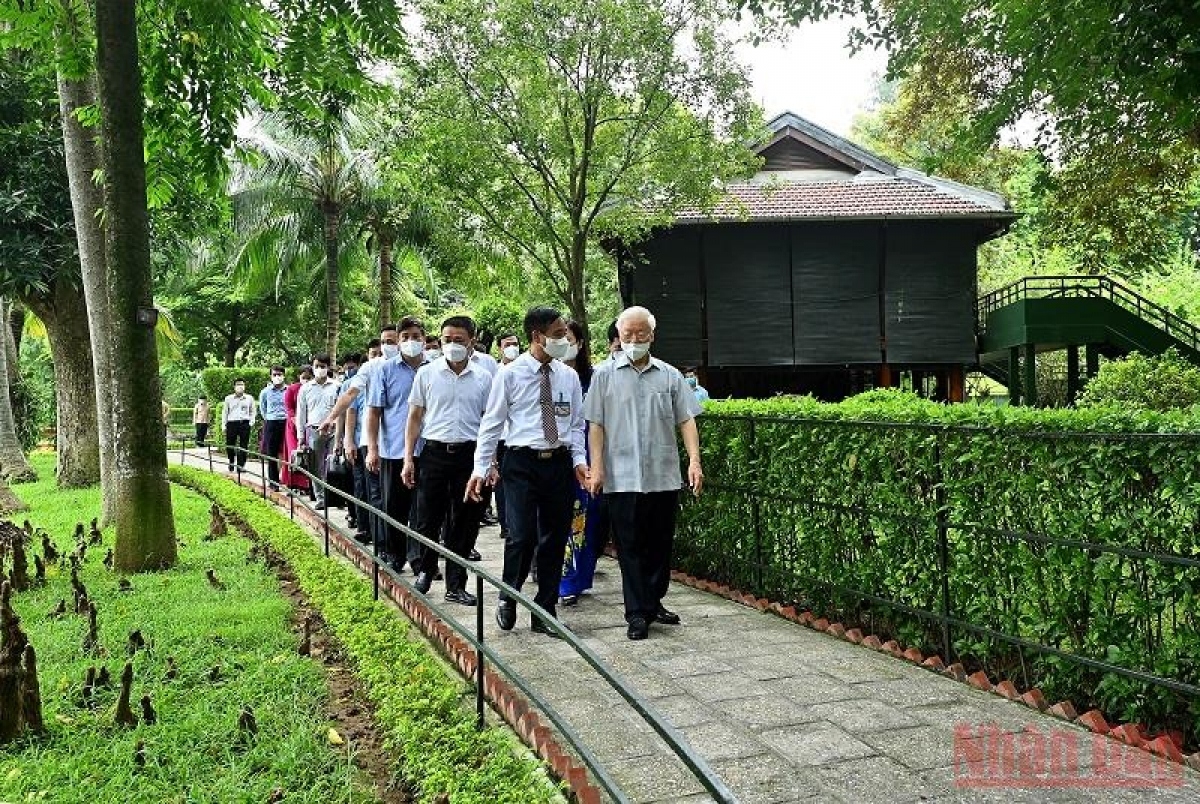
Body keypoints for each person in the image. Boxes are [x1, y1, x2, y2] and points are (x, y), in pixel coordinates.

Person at [584, 305, 704, 641]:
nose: (634, 340)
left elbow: (687, 420)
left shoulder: (669, 375)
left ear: (652, 335)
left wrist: (694, 461)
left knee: (660, 544)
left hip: (663, 475)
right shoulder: (603, 376)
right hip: (621, 478)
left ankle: (652, 600)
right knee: (630, 546)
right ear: (618, 336)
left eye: (641, 334)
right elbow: (596, 425)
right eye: (627, 335)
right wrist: (597, 467)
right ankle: (637, 613)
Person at [468, 307, 587, 636]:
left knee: (554, 537)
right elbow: (491, 424)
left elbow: (576, 426)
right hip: (521, 463)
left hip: (559, 463)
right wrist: (481, 467)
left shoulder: (568, 376)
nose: (565, 339)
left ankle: (545, 610)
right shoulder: (510, 374)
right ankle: (509, 593)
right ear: (538, 336)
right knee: (521, 536)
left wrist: (579, 462)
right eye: (559, 334)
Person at [403, 316, 492, 605]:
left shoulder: (484, 378)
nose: (452, 345)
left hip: (470, 455)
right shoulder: (427, 375)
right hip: (434, 454)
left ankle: (456, 584)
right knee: (429, 517)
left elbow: (489, 422)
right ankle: (426, 571)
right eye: (447, 340)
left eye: (459, 340)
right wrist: (408, 458)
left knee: (465, 522)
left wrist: (490, 462)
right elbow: (414, 417)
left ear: (471, 341)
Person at [319, 325, 401, 544]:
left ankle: (410, 552)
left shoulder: (417, 367)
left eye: (392, 341)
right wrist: (331, 418)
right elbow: (350, 396)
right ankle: (383, 546)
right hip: (372, 441)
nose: (387, 346)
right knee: (376, 496)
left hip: (405, 444)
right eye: (384, 342)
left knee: (401, 500)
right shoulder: (371, 368)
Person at [365, 317, 428, 570]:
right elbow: (373, 412)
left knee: (424, 510)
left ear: (424, 338)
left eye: (415, 336)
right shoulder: (385, 370)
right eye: (405, 337)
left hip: (428, 448)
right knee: (395, 508)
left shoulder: (434, 368)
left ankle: (419, 558)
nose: (410, 342)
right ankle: (395, 555)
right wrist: (372, 448)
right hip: (394, 450)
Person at [558, 320, 604, 606]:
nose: (564, 343)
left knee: (589, 523)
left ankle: (582, 576)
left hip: (591, 460)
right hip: (561, 459)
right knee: (563, 520)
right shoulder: (551, 377)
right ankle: (565, 582)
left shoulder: (596, 378)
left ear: (581, 343)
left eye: (569, 337)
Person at [296, 354, 340, 508]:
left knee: (334, 464)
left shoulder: (336, 386)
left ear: (328, 367)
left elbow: (341, 410)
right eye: (317, 366)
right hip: (314, 429)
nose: (320, 369)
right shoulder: (306, 388)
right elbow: (301, 414)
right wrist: (300, 436)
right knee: (315, 466)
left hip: (334, 430)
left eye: (323, 366)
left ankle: (335, 497)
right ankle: (320, 498)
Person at [281, 366, 313, 496]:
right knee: (294, 453)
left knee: (309, 455)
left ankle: (306, 484)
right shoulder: (292, 389)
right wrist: (296, 421)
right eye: (303, 377)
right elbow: (289, 408)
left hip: (309, 425)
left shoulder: (313, 389)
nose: (305, 380)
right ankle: (292, 483)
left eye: (308, 377)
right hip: (293, 427)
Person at [258, 366, 289, 489]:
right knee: (272, 453)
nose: (277, 377)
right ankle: (273, 482)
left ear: (284, 376)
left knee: (286, 451)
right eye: (275, 374)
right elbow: (262, 408)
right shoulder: (265, 392)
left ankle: (286, 479)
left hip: (286, 422)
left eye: (280, 374)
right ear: (271, 376)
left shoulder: (288, 390)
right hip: (271, 422)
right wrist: (269, 418)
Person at [222, 378, 257, 472]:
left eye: (242, 384)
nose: (240, 386)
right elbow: (225, 412)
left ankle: (241, 466)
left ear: (244, 386)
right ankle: (231, 461)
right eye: (238, 384)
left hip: (244, 424)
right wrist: (224, 425)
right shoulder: (228, 398)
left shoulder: (249, 398)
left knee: (243, 446)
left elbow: (253, 411)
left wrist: (251, 422)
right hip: (232, 423)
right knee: (230, 445)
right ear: (234, 387)